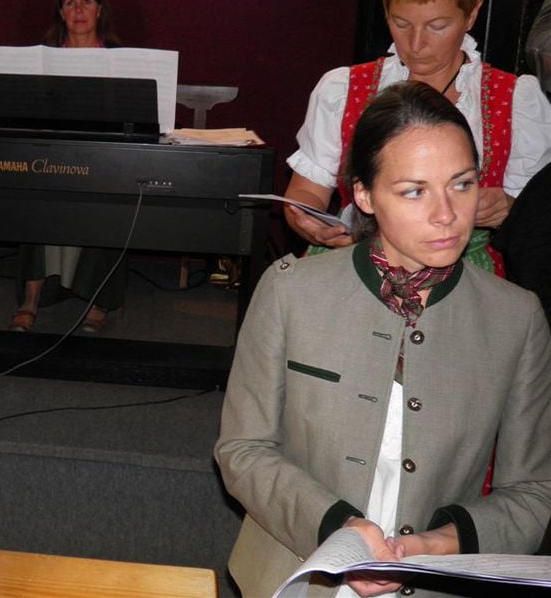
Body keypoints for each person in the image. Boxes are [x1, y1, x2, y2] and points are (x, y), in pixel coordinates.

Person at [215, 81, 551, 598]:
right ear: (365, 196)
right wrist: (337, 529)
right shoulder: (290, 292)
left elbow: (533, 490)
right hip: (297, 573)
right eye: (415, 191)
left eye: (462, 184)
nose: (446, 213)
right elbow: (243, 449)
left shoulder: (516, 317)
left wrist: (441, 543)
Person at [284, 0, 551, 274]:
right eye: (401, 23)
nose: (416, 44)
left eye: (437, 26)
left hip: (466, 276)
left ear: (471, 14)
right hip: (357, 266)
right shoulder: (342, 89)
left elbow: (539, 224)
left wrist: (510, 209)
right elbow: (305, 193)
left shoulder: (515, 99)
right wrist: (309, 222)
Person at [10, 0, 126, 334]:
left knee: (107, 192)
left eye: (86, 2)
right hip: (52, 153)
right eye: (70, 3)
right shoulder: (43, 59)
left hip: (101, 156)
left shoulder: (119, 60)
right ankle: (30, 299)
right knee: (35, 187)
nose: (78, 10)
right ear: (61, 12)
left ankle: (96, 300)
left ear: (99, 10)